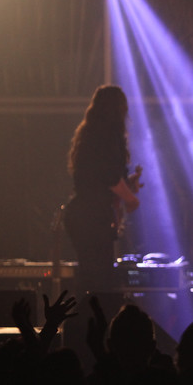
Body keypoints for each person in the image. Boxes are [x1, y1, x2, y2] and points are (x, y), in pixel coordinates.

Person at [64, 85, 142, 299]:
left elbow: (103, 178)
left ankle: (89, 316)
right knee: (99, 282)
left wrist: (127, 184)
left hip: (84, 215)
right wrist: (131, 199)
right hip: (92, 217)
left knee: (93, 279)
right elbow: (110, 178)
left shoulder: (91, 135)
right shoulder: (108, 136)